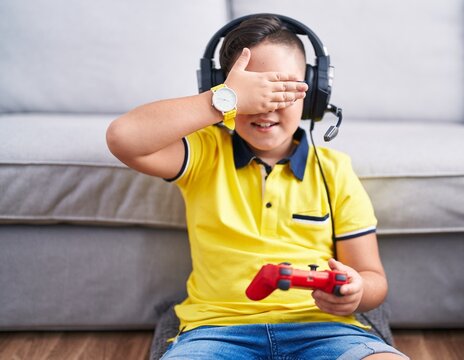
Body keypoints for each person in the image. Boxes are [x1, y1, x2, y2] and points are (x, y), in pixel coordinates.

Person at [106, 14, 408, 360]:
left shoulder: (334, 170)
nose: (266, 105)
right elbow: (123, 137)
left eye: (283, 89)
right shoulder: (205, 152)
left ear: (314, 94)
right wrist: (224, 101)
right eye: (254, 91)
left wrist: (357, 292)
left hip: (326, 330)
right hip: (216, 333)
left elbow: (372, 277)